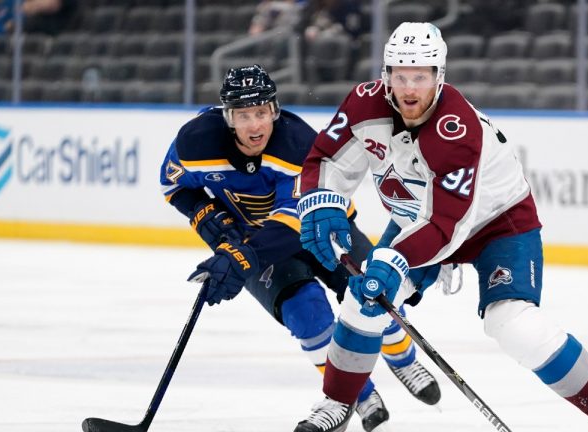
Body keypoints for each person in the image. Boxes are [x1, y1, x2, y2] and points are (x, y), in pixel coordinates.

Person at [293, 22, 588, 432]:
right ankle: (337, 403)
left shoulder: (456, 129)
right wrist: (322, 202)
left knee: (513, 323)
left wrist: (391, 262)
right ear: (385, 74)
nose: (410, 89)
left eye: (421, 77)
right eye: (401, 75)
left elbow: (447, 224)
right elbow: (328, 159)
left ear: (439, 77)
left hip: (497, 224)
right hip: (418, 219)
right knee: (363, 303)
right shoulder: (363, 104)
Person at [158, 65, 441, 432]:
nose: (255, 125)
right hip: (253, 241)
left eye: (262, 112)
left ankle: (401, 357)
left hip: (320, 227)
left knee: (373, 293)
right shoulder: (196, 142)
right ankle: (355, 394)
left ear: (274, 110)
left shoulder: (296, 143)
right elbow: (174, 186)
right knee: (306, 315)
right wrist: (204, 215)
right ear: (228, 117)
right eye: (244, 115)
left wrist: (240, 258)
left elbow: (293, 222)